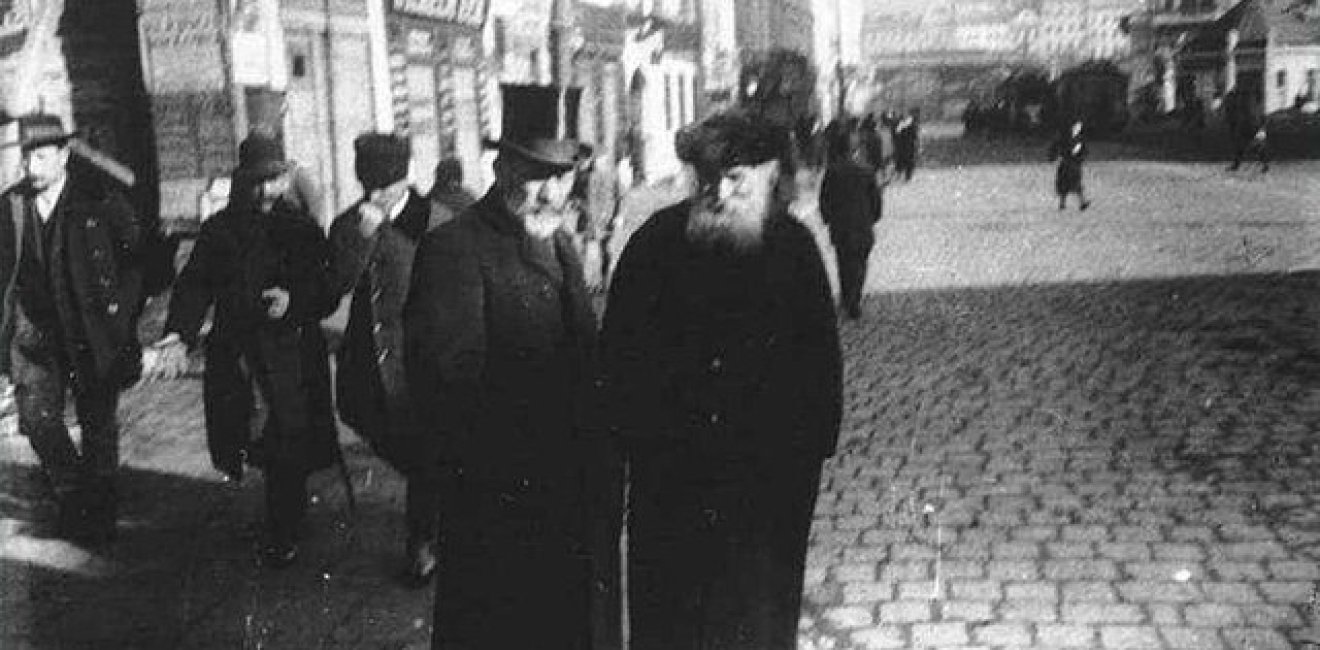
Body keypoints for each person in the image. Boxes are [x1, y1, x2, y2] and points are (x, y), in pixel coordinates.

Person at [598, 108, 842, 650]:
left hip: (764, 489)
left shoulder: (792, 249)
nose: (719, 192)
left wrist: (801, 458)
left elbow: (820, 368)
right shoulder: (654, 245)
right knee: (672, 620)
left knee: (753, 617)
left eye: (736, 180)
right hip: (673, 482)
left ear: (769, 176)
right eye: (707, 180)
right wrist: (644, 437)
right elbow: (617, 363)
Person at [404, 84, 618, 650]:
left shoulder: (558, 241)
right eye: (536, 174)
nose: (552, 191)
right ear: (501, 169)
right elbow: (449, 382)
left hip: (567, 489)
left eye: (563, 175)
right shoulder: (456, 248)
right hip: (500, 499)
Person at [146, 132, 340, 567]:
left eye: (273, 180)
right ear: (242, 181)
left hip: (290, 352)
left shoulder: (302, 230)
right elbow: (195, 285)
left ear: (285, 178)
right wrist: (179, 334)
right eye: (256, 181)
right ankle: (283, 516)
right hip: (239, 353)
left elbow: (326, 289)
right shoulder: (219, 230)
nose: (265, 191)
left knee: (286, 437)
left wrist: (295, 300)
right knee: (252, 435)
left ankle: (284, 527)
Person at [0, 114, 152, 544]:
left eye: (41, 155)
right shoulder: (11, 205)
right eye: (27, 155)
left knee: (98, 424)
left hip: (91, 331)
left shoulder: (99, 198)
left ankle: (97, 513)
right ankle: (73, 493)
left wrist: (121, 317)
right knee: (36, 420)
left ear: (64, 156)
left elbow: (138, 259)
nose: (31, 166)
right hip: (36, 335)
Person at [328, 133, 446, 586]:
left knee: (425, 453)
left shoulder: (437, 222)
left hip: (419, 361)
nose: (375, 196)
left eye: (386, 186)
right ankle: (437, 508)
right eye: (369, 186)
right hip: (366, 369)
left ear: (404, 179)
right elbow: (335, 286)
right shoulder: (347, 225)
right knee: (386, 436)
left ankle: (422, 542)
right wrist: (361, 237)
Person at [820, 119, 885, 320]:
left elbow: (824, 198)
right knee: (861, 262)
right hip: (862, 224)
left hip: (841, 226)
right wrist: (873, 217)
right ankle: (854, 298)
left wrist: (828, 218)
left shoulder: (832, 171)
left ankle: (848, 297)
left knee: (843, 262)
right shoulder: (866, 170)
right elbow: (876, 200)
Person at [1048, 119, 1091, 211]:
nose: (1078, 128)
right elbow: (1055, 147)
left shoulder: (1079, 138)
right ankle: (1063, 204)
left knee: (1076, 183)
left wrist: (1081, 158)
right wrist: (1054, 157)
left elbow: (1084, 150)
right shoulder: (1064, 138)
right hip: (1066, 162)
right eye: (1077, 126)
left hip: (1075, 163)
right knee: (1064, 184)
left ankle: (1082, 202)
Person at [427, 157, 477, 227]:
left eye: (456, 179)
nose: (453, 184)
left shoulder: (467, 198)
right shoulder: (432, 200)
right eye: (449, 179)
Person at [892, 109, 920, 181]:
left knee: (905, 161)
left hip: (906, 146)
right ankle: (904, 175)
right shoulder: (903, 124)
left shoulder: (908, 124)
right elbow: (914, 136)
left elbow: (914, 135)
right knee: (905, 161)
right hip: (905, 146)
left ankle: (905, 176)